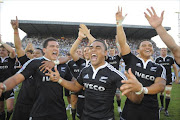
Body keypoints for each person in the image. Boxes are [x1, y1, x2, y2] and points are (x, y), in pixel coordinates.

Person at [46, 39, 144, 120]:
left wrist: (139, 89)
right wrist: (59, 79)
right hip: (86, 117)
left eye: (98, 48)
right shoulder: (85, 71)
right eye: (91, 48)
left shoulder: (114, 74)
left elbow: (135, 99)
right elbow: (76, 87)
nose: (93, 50)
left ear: (105, 53)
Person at [0, 37, 72, 120]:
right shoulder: (34, 63)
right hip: (38, 111)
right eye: (52, 46)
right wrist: (4, 86)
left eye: (57, 47)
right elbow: (16, 78)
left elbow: (73, 84)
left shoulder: (63, 65)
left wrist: (60, 78)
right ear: (44, 50)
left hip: (59, 112)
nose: (55, 48)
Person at [116, 7, 166, 120]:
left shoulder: (159, 67)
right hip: (131, 108)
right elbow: (122, 43)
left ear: (153, 50)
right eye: (144, 45)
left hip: (151, 110)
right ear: (137, 50)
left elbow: (160, 86)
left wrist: (142, 90)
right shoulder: (131, 60)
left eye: (150, 46)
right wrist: (119, 23)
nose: (147, 47)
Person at [10, 17, 44, 120]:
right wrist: (16, 30)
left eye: (37, 54)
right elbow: (19, 48)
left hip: (38, 103)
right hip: (23, 101)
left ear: (43, 56)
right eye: (33, 53)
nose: (34, 55)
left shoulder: (47, 67)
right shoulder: (27, 63)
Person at [68, 25, 92, 119]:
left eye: (88, 50)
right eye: (84, 51)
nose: (86, 52)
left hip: (91, 89)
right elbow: (72, 52)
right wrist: (80, 38)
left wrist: (89, 36)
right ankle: (74, 117)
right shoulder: (81, 62)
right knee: (75, 104)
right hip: (79, 87)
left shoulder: (97, 62)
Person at [155, 48, 179, 116]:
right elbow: (155, 68)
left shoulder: (170, 58)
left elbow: (175, 68)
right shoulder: (157, 59)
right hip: (160, 79)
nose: (163, 51)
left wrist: (177, 77)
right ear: (160, 51)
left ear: (166, 51)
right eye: (162, 50)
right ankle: (162, 106)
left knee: (168, 93)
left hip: (168, 78)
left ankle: (166, 110)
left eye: (164, 50)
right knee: (161, 93)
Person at [0, 34, 16, 120]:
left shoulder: (10, 59)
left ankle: (7, 118)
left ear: (7, 52)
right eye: (0, 50)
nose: (1, 51)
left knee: (10, 108)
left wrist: (1, 41)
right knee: (1, 108)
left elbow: (13, 52)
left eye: (3, 50)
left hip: (8, 85)